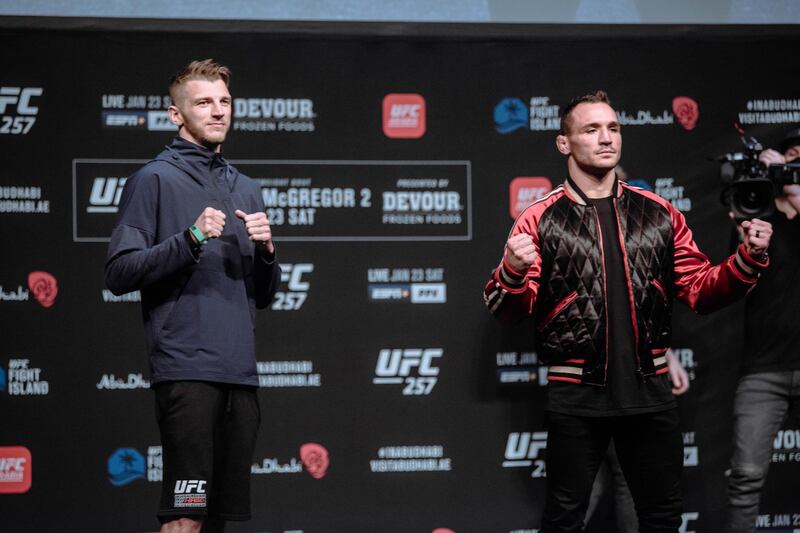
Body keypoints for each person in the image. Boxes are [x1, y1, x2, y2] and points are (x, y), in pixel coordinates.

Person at [483, 90, 772, 533]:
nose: (606, 138)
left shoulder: (659, 213)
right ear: (565, 144)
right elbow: (507, 311)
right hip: (576, 395)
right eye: (591, 129)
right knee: (564, 518)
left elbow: (700, 290)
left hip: (649, 392)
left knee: (661, 516)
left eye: (613, 128)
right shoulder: (539, 218)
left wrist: (747, 260)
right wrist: (513, 271)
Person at [105, 59, 280, 533]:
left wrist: (266, 252)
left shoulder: (246, 187)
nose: (218, 111)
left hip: (239, 374)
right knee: (185, 519)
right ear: (175, 114)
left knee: (219, 520)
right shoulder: (154, 179)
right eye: (204, 102)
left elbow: (262, 296)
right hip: (187, 371)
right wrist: (190, 238)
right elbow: (119, 272)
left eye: (224, 102)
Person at [726, 126, 800, 533]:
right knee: (746, 477)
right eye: (790, 157)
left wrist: (793, 187)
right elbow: (732, 283)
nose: (794, 165)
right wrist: (748, 245)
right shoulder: (759, 219)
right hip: (763, 370)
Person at [584, 351, 690, 533]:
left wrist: (668, 357)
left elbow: (639, 325)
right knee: (585, 485)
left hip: (620, 381)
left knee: (604, 480)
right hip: (598, 381)